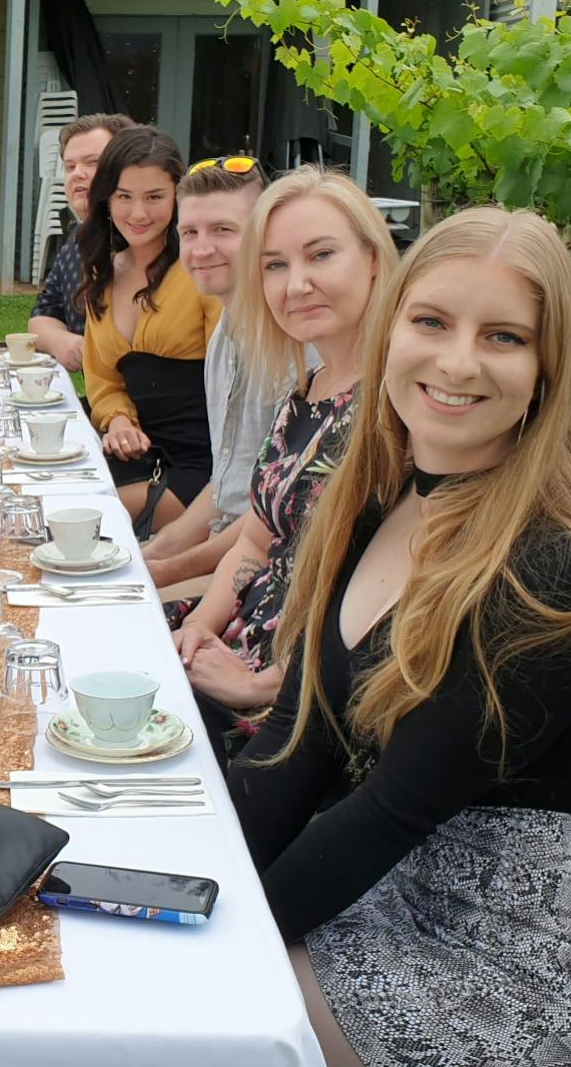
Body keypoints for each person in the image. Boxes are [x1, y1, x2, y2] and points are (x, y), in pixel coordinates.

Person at [230, 206, 571, 1067]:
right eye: (432, 322)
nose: (458, 362)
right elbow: (298, 738)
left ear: (546, 369)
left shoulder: (562, 568)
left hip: (536, 956)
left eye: (503, 337)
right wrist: (191, 886)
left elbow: (394, 811)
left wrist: (220, 945)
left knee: (219, 1024)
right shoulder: (383, 502)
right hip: (410, 885)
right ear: (390, 332)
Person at [170, 166, 395, 761]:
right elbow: (253, 540)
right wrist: (203, 627)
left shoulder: (398, 405)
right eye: (275, 265)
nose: (297, 285)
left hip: (308, 694)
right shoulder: (307, 386)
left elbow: (382, 601)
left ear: (374, 259)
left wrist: (260, 685)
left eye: (320, 256)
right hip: (245, 637)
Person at [140, 155, 276, 594]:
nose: (201, 250)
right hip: (223, 548)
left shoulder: (296, 347)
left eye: (223, 230)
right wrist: (155, 550)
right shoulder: (226, 332)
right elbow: (227, 487)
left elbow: (273, 519)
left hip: (268, 571)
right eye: (189, 233)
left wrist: (166, 570)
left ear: (264, 237)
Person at [79, 125, 222, 523]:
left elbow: (237, 389)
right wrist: (120, 420)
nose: (138, 213)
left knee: (83, 518)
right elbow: (104, 382)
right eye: (124, 196)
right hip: (139, 459)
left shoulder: (203, 272)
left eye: (155, 197)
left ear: (179, 197)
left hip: (204, 467)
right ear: (106, 198)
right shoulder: (102, 274)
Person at [27, 113, 134, 371]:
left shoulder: (140, 240)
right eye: (70, 166)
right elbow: (41, 317)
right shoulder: (78, 240)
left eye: (93, 162)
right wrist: (64, 342)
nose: (78, 174)